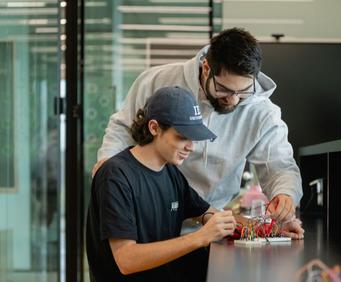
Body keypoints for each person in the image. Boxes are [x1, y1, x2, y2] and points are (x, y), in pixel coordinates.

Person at [93, 27, 304, 238]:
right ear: (206, 68)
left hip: (209, 219)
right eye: (224, 89)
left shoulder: (262, 111)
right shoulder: (158, 81)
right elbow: (123, 128)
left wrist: (284, 195)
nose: (233, 99)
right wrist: (109, 169)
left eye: (244, 92)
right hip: (150, 216)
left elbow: (279, 166)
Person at [86, 86, 237, 282]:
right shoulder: (115, 176)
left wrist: (269, 227)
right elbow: (126, 259)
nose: (190, 147)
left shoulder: (170, 172)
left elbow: (209, 213)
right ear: (154, 128)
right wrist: (200, 237)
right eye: (182, 136)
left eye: (193, 138)